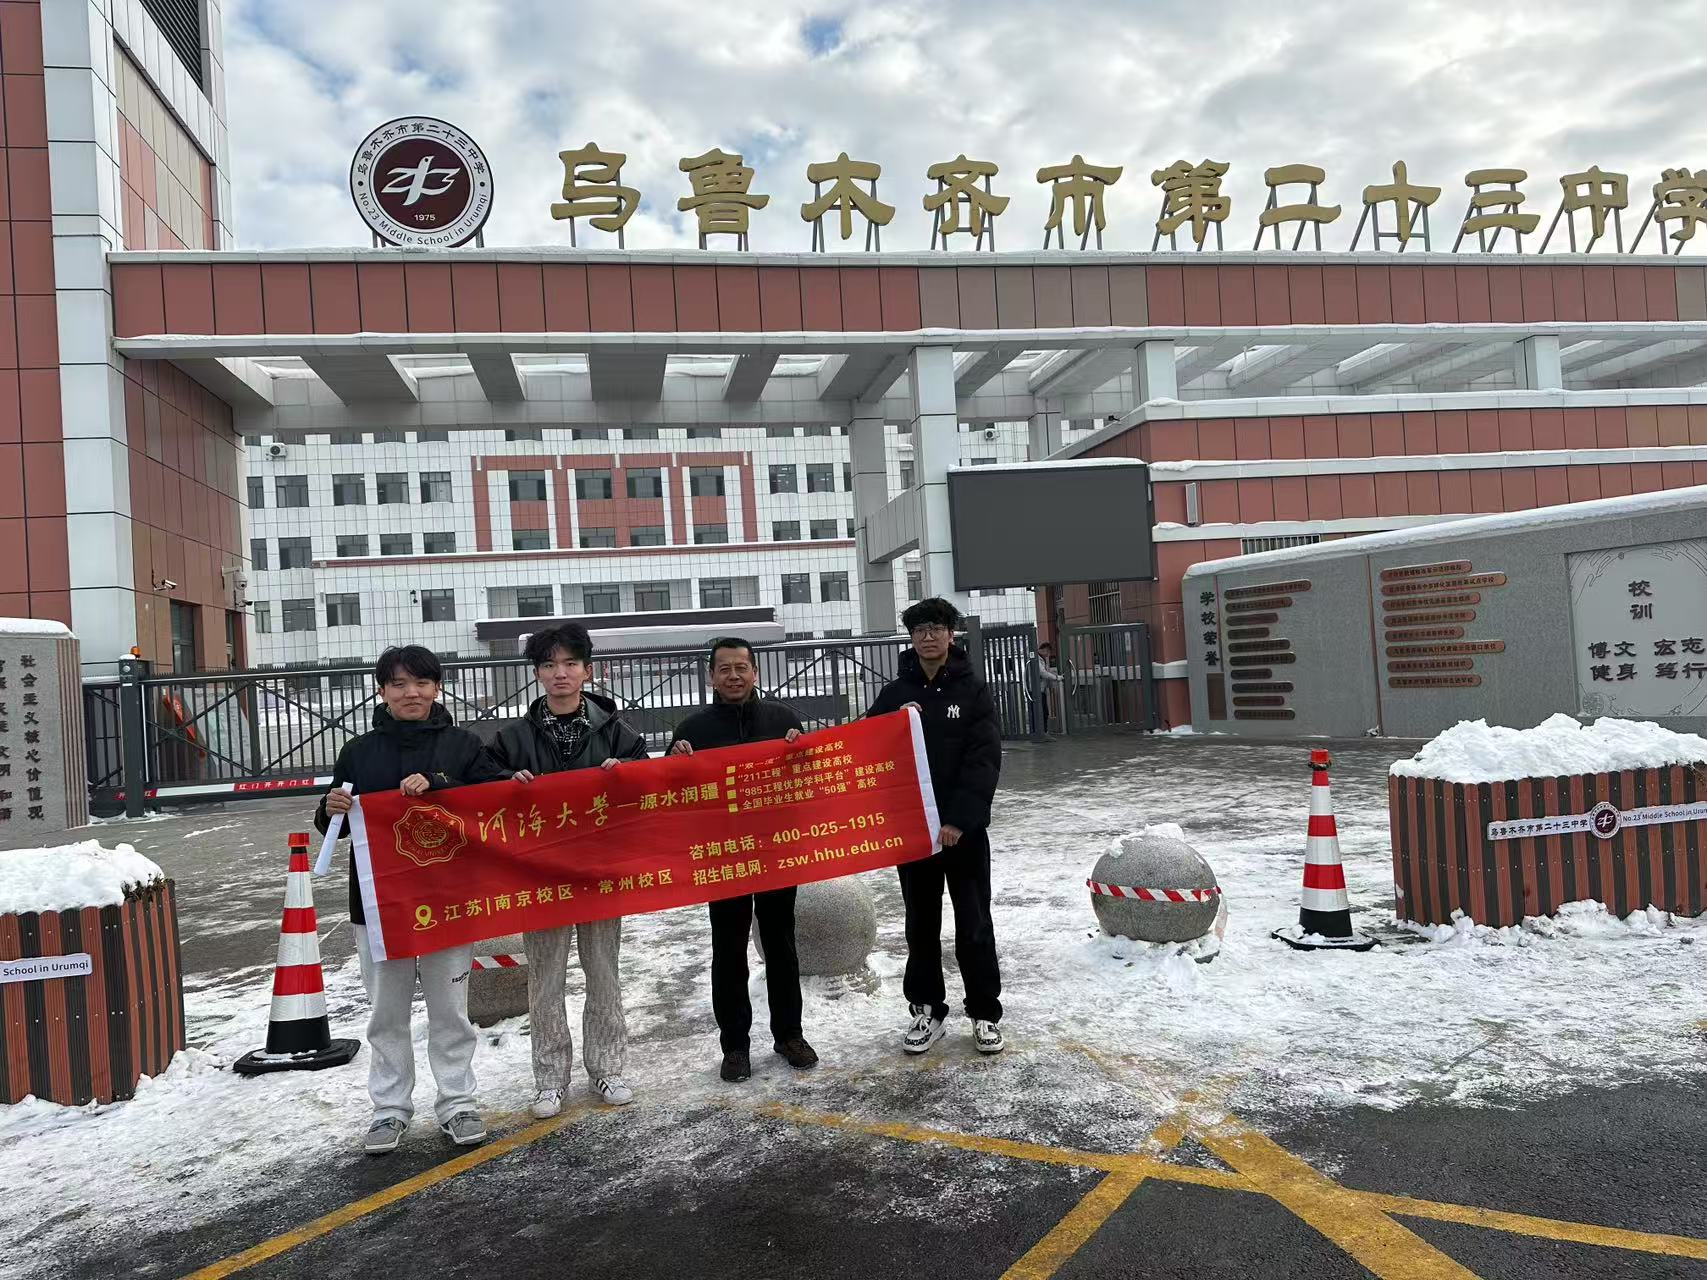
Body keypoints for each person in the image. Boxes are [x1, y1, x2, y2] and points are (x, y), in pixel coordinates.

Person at [316, 645, 512, 1156]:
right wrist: (329, 807)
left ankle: (457, 1102)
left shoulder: (463, 745)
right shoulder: (359, 752)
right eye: (399, 684)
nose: (411, 693)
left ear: (437, 687)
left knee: (451, 1010)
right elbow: (334, 824)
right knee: (387, 1013)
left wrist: (443, 784)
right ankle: (389, 1109)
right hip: (378, 907)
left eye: (422, 683)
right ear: (382, 690)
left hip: (449, 901)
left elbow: (495, 798)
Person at [489, 622, 649, 1117]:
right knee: (545, 978)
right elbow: (481, 788)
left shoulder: (616, 732)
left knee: (603, 973)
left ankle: (608, 1068)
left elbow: (650, 785)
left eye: (570, 663)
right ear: (537, 674)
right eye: (549, 664)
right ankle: (549, 1080)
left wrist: (626, 774)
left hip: (600, 873)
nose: (560, 673)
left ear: (587, 670)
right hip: (539, 877)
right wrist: (506, 780)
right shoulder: (512, 739)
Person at [668, 637, 817, 1083]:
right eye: (724, 669)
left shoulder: (784, 721)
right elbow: (673, 795)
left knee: (781, 944)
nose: (734, 676)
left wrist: (802, 751)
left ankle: (789, 1035)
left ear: (755, 673)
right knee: (728, 949)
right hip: (723, 856)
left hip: (775, 851)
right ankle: (734, 1046)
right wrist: (674, 762)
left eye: (741, 668)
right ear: (711, 677)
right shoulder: (692, 730)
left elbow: (810, 781)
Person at [866, 598, 1005, 1056]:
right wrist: (892, 721)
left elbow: (984, 759)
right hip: (915, 834)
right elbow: (865, 745)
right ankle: (927, 1010)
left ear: (951, 634)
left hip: (963, 833)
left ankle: (984, 1012)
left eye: (936, 628)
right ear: (911, 637)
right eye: (920, 629)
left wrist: (959, 820)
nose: (928, 637)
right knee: (920, 925)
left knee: (974, 923)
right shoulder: (896, 692)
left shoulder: (973, 690)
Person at [1026, 641, 1064, 737]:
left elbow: (1045, 672)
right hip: (1036, 690)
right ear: (1045, 650)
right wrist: (1056, 678)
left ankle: (1040, 732)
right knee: (1041, 712)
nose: (1048, 655)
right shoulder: (1036, 659)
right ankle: (1041, 733)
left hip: (1039, 690)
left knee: (1041, 712)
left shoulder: (1040, 659)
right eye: (1048, 652)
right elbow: (1043, 673)